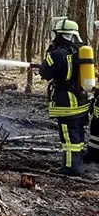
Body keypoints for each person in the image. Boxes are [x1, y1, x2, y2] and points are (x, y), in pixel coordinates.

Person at [39, 18, 90, 175]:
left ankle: (70, 168)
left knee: (68, 138)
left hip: (66, 101)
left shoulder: (57, 54)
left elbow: (45, 73)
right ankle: (78, 163)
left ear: (60, 35)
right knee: (78, 134)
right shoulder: (80, 52)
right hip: (81, 100)